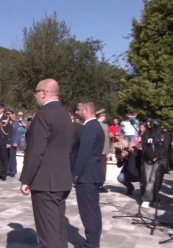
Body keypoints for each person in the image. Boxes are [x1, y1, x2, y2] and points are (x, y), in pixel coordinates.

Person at [19, 79, 73, 248]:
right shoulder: (65, 114)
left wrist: (26, 179)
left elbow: (36, 151)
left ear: (44, 93)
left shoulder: (43, 115)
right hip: (61, 180)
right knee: (58, 230)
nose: (35, 95)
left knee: (48, 236)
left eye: (36, 92)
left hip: (45, 182)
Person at [72, 100, 105, 248]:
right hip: (91, 175)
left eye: (78, 109)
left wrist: (75, 176)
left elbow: (83, 154)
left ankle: (91, 244)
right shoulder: (94, 126)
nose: (77, 112)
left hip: (87, 177)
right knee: (92, 212)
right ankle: (92, 242)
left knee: (88, 213)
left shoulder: (90, 128)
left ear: (86, 111)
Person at [140, 119, 170, 208]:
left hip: (160, 159)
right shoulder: (146, 133)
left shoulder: (164, 134)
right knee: (147, 179)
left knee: (153, 180)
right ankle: (153, 198)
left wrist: (157, 156)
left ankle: (147, 199)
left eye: (151, 123)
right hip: (148, 159)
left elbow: (165, 147)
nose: (148, 124)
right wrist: (150, 156)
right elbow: (144, 146)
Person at [96, 109, 112, 193]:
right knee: (102, 168)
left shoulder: (92, 124)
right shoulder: (105, 126)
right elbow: (106, 140)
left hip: (95, 151)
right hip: (102, 151)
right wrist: (108, 151)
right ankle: (100, 185)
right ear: (101, 116)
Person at [7, 109, 20, 177]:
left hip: (13, 142)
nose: (8, 115)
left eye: (9, 114)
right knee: (7, 157)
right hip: (7, 143)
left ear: (12, 115)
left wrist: (16, 142)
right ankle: (8, 170)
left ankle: (13, 171)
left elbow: (17, 134)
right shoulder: (6, 123)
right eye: (7, 114)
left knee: (12, 157)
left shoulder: (16, 123)